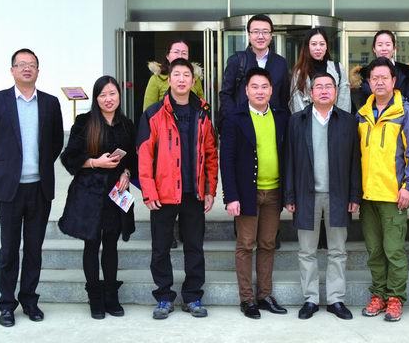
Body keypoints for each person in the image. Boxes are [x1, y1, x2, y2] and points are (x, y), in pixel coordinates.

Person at [0, 48, 64, 327]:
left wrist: (38, 167)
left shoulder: (50, 103)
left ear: (38, 70)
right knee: (9, 250)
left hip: (40, 188)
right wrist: (2, 170)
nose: (27, 68)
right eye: (21, 64)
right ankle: (6, 304)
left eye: (32, 64)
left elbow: (55, 143)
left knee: (34, 249)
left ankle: (29, 300)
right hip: (10, 190)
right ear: (12, 70)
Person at [137, 58, 218, 319]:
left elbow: (211, 153)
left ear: (193, 81)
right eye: (177, 75)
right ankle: (164, 296)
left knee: (194, 247)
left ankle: (193, 296)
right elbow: (144, 155)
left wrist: (210, 189)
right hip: (163, 193)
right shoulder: (153, 113)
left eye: (186, 75)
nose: (182, 79)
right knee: (161, 248)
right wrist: (148, 191)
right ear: (169, 79)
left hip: (193, 192)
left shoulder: (202, 112)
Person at [284, 72, 361, 320]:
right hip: (306, 195)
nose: (324, 90)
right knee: (306, 250)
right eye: (319, 87)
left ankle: (336, 299)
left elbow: (355, 162)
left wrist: (354, 195)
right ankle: (311, 299)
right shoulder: (297, 121)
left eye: (329, 86)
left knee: (337, 250)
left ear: (336, 92)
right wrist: (289, 195)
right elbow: (289, 160)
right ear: (311, 92)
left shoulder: (347, 122)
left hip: (338, 195)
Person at [59, 76, 137, 319]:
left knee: (111, 244)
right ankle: (94, 296)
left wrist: (126, 172)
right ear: (96, 98)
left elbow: (133, 158)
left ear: (119, 96)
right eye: (103, 95)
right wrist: (95, 162)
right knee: (91, 245)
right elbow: (69, 157)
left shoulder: (126, 125)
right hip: (89, 193)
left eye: (112, 93)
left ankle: (111, 296)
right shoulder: (85, 122)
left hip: (116, 193)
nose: (108, 99)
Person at [356, 57, 409, 322]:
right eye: (374, 78)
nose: (379, 82)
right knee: (374, 251)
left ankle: (395, 298)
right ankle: (378, 295)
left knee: (394, 251)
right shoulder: (362, 114)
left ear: (394, 81)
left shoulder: (406, 113)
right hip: (367, 196)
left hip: (393, 195)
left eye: (384, 77)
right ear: (368, 82)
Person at [220, 67, 289, 319]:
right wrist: (231, 196)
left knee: (268, 244)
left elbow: (288, 154)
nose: (260, 91)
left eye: (264, 87)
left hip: (274, 192)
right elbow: (226, 159)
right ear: (246, 90)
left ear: (271, 90)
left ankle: (264, 295)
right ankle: (247, 299)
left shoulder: (281, 116)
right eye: (255, 87)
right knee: (246, 245)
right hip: (247, 193)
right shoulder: (234, 117)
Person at [219, 14, 289, 131]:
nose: (260, 36)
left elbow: (284, 98)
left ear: (271, 35)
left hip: (271, 126)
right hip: (242, 127)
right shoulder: (237, 61)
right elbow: (226, 94)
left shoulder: (281, 63)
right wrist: (234, 119)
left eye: (265, 32)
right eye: (256, 32)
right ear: (249, 35)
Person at [350, 29, 409, 110]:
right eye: (380, 45)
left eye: (388, 44)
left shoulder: (407, 71)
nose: (384, 48)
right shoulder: (363, 74)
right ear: (374, 49)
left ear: (394, 48)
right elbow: (362, 105)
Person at [289, 28, 351, 113]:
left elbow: (344, 99)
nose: (318, 48)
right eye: (314, 44)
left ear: (326, 46)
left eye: (322, 44)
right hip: (307, 120)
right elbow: (297, 103)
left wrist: (337, 118)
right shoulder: (299, 72)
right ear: (307, 46)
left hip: (336, 119)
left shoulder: (338, 68)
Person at [143, 39, 204, 111]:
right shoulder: (156, 79)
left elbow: (202, 106)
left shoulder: (195, 78)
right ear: (167, 56)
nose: (180, 56)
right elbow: (148, 111)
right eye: (176, 52)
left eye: (184, 53)